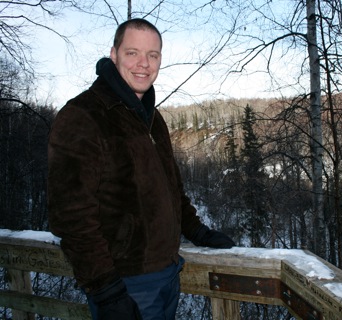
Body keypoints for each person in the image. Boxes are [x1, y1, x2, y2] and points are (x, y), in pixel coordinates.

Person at [47, 18, 235, 320]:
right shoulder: (83, 115)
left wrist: (196, 230)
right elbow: (70, 218)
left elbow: (171, 186)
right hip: (125, 282)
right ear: (114, 54)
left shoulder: (151, 116)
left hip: (167, 273)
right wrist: (106, 292)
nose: (143, 64)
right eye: (132, 52)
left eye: (153, 55)